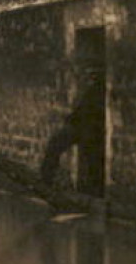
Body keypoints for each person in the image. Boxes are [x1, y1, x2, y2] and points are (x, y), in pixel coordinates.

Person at [40, 60, 107, 189]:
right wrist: (70, 118)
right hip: (82, 127)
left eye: (93, 74)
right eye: (90, 74)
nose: (90, 77)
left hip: (89, 130)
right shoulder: (90, 90)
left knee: (92, 159)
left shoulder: (97, 91)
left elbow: (85, 112)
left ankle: (46, 180)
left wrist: (71, 119)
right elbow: (81, 111)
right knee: (56, 142)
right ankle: (46, 179)